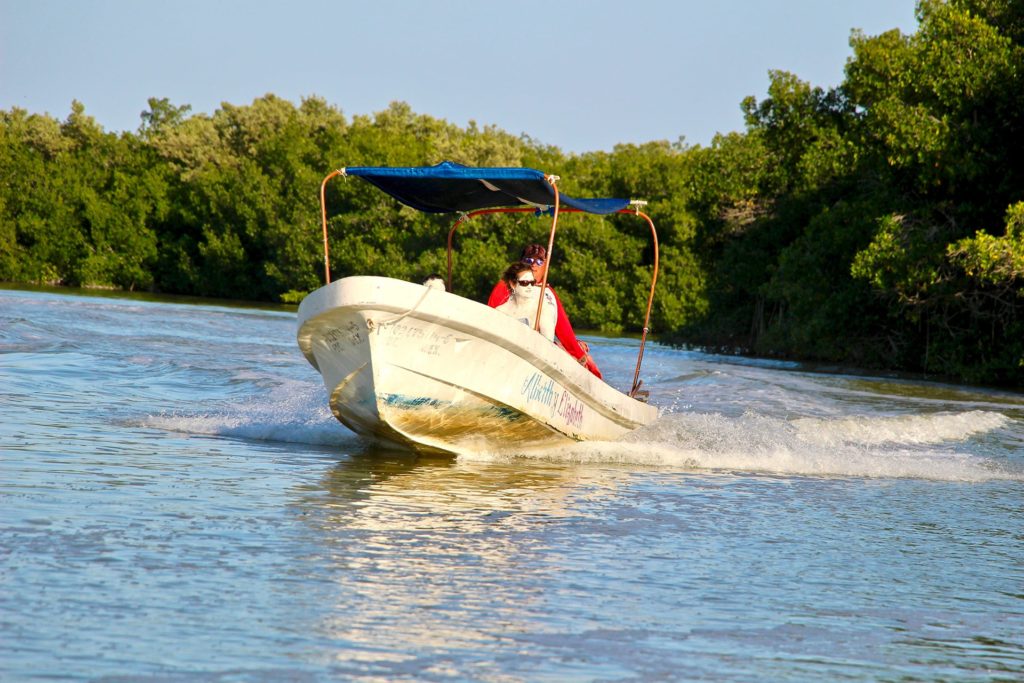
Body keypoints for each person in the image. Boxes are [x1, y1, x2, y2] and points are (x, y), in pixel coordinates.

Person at [488, 244, 602, 378]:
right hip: (508, 347)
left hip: (542, 354)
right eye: (528, 260)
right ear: (521, 262)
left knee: (579, 352)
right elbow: (490, 317)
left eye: (539, 261)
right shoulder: (506, 285)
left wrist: (582, 357)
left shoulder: (549, 293)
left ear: (546, 265)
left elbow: (565, 332)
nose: (533, 265)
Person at [494, 262, 558, 341]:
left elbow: (548, 342)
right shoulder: (500, 311)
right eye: (524, 283)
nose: (529, 286)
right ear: (512, 284)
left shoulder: (542, 308)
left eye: (532, 282)